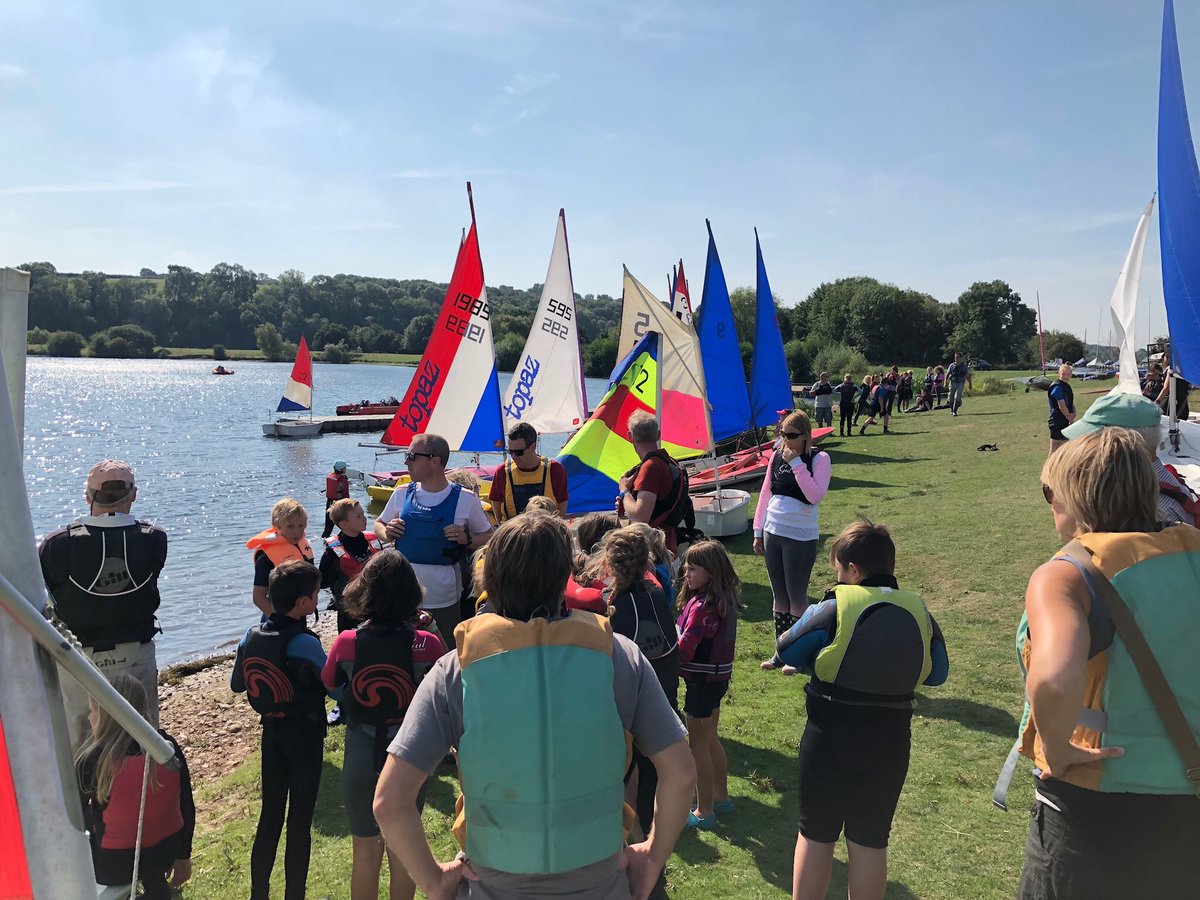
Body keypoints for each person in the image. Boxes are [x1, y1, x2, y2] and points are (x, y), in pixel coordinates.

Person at [372, 513, 696, 900]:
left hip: (492, 885)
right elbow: (680, 773)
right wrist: (653, 858)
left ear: (490, 579)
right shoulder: (618, 656)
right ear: (566, 578)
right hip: (600, 882)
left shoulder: (455, 669)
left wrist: (434, 880)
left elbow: (390, 802)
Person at [1012, 428, 1200, 898]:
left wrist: (1056, 745)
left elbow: (1054, 679)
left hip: (1092, 808)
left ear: (1076, 497)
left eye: (1050, 493)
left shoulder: (1066, 574)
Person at [778, 520, 948, 900]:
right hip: (890, 739)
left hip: (830, 736)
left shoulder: (836, 605)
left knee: (816, 833)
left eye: (838, 570)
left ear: (853, 570)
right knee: (871, 840)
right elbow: (938, 673)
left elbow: (786, 648)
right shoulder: (918, 609)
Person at [321, 551, 446, 900]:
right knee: (402, 849)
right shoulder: (428, 643)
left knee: (364, 850)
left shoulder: (348, 642)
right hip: (408, 756)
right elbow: (446, 688)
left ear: (364, 592)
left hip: (362, 748)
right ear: (412, 593)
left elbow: (330, 682)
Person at [41, 459, 168, 748]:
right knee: (141, 744)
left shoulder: (56, 544)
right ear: (133, 495)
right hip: (135, 654)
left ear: (87, 497)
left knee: (79, 746)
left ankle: (85, 793)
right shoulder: (154, 538)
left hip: (77, 657)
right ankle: (134, 793)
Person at [231, 559, 329, 900]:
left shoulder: (251, 635)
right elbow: (336, 687)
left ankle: (259, 894)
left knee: (269, 817)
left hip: (271, 734)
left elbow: (236, 684)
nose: (317, 599)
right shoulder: (306, 643)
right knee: (299, 823)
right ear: (304, 603)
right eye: (316, 595)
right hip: (305, 736)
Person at [75, 674, 193, 900]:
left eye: (93, 710)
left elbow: (74, 821)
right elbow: (186, 803)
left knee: (87, 817)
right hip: (165, 852)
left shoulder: (92, 761)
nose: (89, 716)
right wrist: (182, 855)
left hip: (113, 865)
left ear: (107, 715)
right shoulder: (166, 748)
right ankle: (157, 889)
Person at [373, 433, 493, 650]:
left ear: (434, 461)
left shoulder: (466, 498)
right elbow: (379, 524)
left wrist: (467, 539)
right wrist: (387, 532)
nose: (405, 461)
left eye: (411, 456)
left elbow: (489, 537)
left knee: (445, 653)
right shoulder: (401, 493)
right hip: (402, 594)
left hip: (444, 596)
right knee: (403, 653)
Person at [601, 526, 681, 838]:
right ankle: (650, 843)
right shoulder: (657, 595)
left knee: (626, 789)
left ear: (609, 566)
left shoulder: (614, 611)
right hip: (665, 708)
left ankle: (637, 847)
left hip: (633, 718)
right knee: (651, 785)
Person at [754, 411, 831, 673]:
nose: (786, 440)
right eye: (782, 434)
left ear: (806, 436)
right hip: (773, 531)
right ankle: (780, 651)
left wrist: (798, 464)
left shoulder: (819, 459)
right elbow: (766, 493)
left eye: (792, 436)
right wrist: (757, 530)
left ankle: (797, 655)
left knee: (797, 595)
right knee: (780, 596)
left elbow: (815, 495)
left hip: (800, 536)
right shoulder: (776, 456)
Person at [1061, 391, 1197, 527]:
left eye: (1093, 441)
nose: (1085, 448)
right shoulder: (1157, 485)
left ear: (1122, 443)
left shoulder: (1151, 511)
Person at [676, 539, 739, 830]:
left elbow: (687, 647)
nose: (686, 574)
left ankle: (704, 811)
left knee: (696, 747)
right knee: (711, 739)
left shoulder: (703, 607)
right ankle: (722, 797)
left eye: (693, 569)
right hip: (717, 679)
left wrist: (667, 660)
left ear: (711, 572)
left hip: (700, 682)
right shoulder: (724, 600)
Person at [619, 411, 691, 554]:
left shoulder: (650, 467)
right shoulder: (669, 462)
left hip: (654, 550)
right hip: (666, 544)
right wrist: (629, 502)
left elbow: (640, 517)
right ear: (658, 434)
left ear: (629, 437)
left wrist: (624, 492)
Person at [320, 498, 383, 633]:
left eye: (363, 514)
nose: (364, 518)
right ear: (343, 524)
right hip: (349, 615)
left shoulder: (373, 542)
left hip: (376, 609)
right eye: (358, 516)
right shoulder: (333, 551)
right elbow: (323, 582)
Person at [487, 422, 570, 521]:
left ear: (533, 446)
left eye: (518, 452)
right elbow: (496, 502)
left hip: (546, 530)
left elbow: (562, 504)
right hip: (513, 531)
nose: (514, 457)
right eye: (510, 452)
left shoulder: (555, 469)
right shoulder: (502, 471)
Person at [248, 497, 313, 618]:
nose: (296, 531)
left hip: (300, 612)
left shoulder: (303, 545)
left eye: (301, 526)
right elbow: (258, 597)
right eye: (290, 526)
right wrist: (279, 620)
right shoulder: (266, 555)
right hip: (275, 615)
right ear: (276, 525)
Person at [1153, 349, 1191, 420]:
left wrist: (1156, 402)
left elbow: (1166, 388)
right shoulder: (1183, 370)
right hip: (1183, 406)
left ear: (1166, 357)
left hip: (1172, 406)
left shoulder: (1171, 369)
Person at [1047, 363, 1076, 453]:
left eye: (1068, 374)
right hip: (1057, 421)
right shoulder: (1057, 387)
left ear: (1071, 375)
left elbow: (1070, 403)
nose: (1065, 376)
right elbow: (1062, 405)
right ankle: (1049, 467)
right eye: (1063, 374)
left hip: (1064, 420)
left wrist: (1074, 414)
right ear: (1058, 374)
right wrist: (1069, 417)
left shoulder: (1066, 386)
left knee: (1065, 449)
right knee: (1055, 450)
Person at [323, 460, 351, 539]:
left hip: (329, 503)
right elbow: (346, 496)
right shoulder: (343, 480)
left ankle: (324, 542)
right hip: (339, 505)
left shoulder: (330, 476)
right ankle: (345, 541)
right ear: (342, 469)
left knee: (328, 529)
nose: (346, 469)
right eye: (345, 468)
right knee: (346, 526)